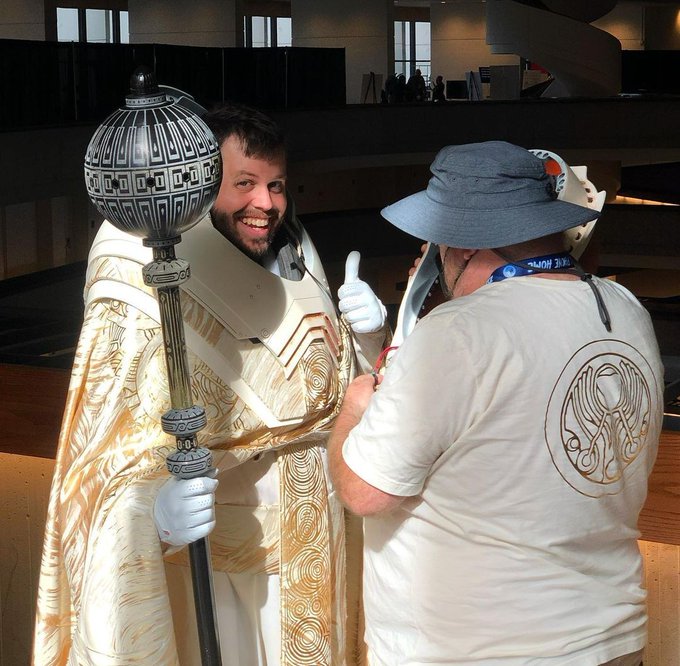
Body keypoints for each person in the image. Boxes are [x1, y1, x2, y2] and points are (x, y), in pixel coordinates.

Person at [33, 102, 388, 665]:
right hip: (225, 569)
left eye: (276, 185)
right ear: (201, 185)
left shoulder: (294, 247)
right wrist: (151, 514)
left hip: (320, 546)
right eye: (244, 183)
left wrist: (370, 340)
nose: (265, 203)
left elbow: (334, 387)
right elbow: (104, 455)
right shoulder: (138, 279)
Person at [328, 141, 664, 666]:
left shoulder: (459, 331)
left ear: (461, 247)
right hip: (611, 638)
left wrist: (352, 410)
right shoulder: (625, 307)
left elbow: (365, 492)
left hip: (480, 650)